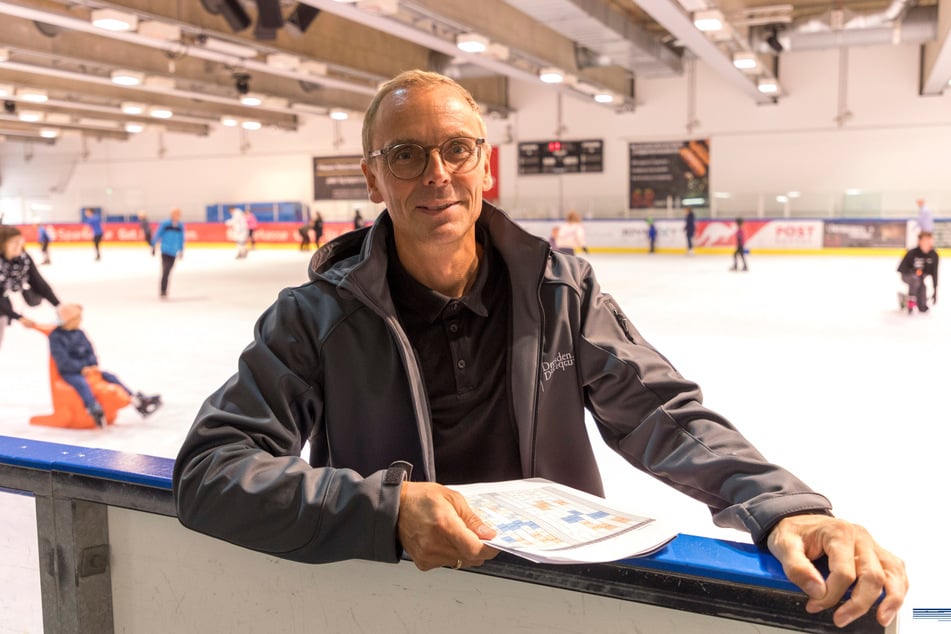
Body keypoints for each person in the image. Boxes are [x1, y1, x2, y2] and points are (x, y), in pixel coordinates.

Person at [172, 70, 906, 629]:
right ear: (370, 177)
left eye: (456, 149)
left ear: (483, 165)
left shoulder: (558, 289)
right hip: (393, 602)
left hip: (555, 601)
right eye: (405, 155)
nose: (437, 174)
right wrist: (382, 512)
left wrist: (784, 507)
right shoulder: (314, 317)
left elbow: (662, 415)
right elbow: (211, 471)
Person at [48, 303, 162, 426]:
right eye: (78, 318)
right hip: (70, 372)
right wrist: (81, 368)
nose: (81, 320)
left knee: (110, 376)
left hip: (88, 369)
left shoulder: (80, 333)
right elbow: (62, 359)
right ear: (68, 320)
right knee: (82, 384)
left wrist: (92, 364)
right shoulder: (56, 337)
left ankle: (136, 400)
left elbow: (90, 350)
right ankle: (92, 406)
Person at [1, 225, 63, 348]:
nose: (19, 245)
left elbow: (39, 283)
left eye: (20, 241)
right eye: (13, 242)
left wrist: (59, 306)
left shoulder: (23, 259)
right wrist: (18, 317)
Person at [897, 231, 938, 314]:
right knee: (915, 279)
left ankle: (904, 299)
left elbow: (935, 274)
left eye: (930, 240)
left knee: (922, 308)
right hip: (907, 276)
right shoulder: (912, 253)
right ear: (919, 241)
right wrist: (914, 271)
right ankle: (911, 303)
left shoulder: (933, 255)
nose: (928, 242)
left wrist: (935, 291)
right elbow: (902, 268)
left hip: (920, 279)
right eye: (925, 240)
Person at [151, 208, 185, 299]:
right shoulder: (165, 224)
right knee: (165, 271)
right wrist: (153, 245)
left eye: (178, 214)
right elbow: (158, 234)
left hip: (174, 252)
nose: (177, 216)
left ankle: (164, 289)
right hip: (165, 250)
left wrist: (181, 250)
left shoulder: (180, 225)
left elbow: (181, 238)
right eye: (176, 214)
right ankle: (163, 290)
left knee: (168, 271)